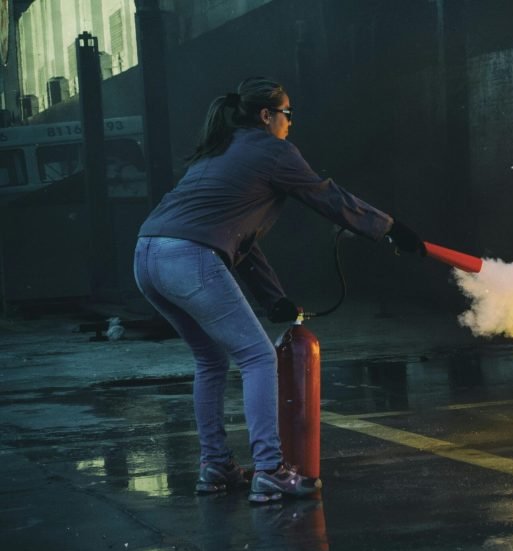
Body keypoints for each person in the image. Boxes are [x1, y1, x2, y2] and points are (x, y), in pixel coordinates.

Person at [133, 77, 424, 503]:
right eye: (287, 114)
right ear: (267, 116)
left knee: (210, 360)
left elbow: (239, 240)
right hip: (188, 258)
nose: (291, 123)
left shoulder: (220, 150)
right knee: (257, 356)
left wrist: (273, 298)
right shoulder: (273, 151)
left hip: (147, 256)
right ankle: (270, 470)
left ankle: (214, 467)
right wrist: (390, 230)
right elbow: (329, 198)